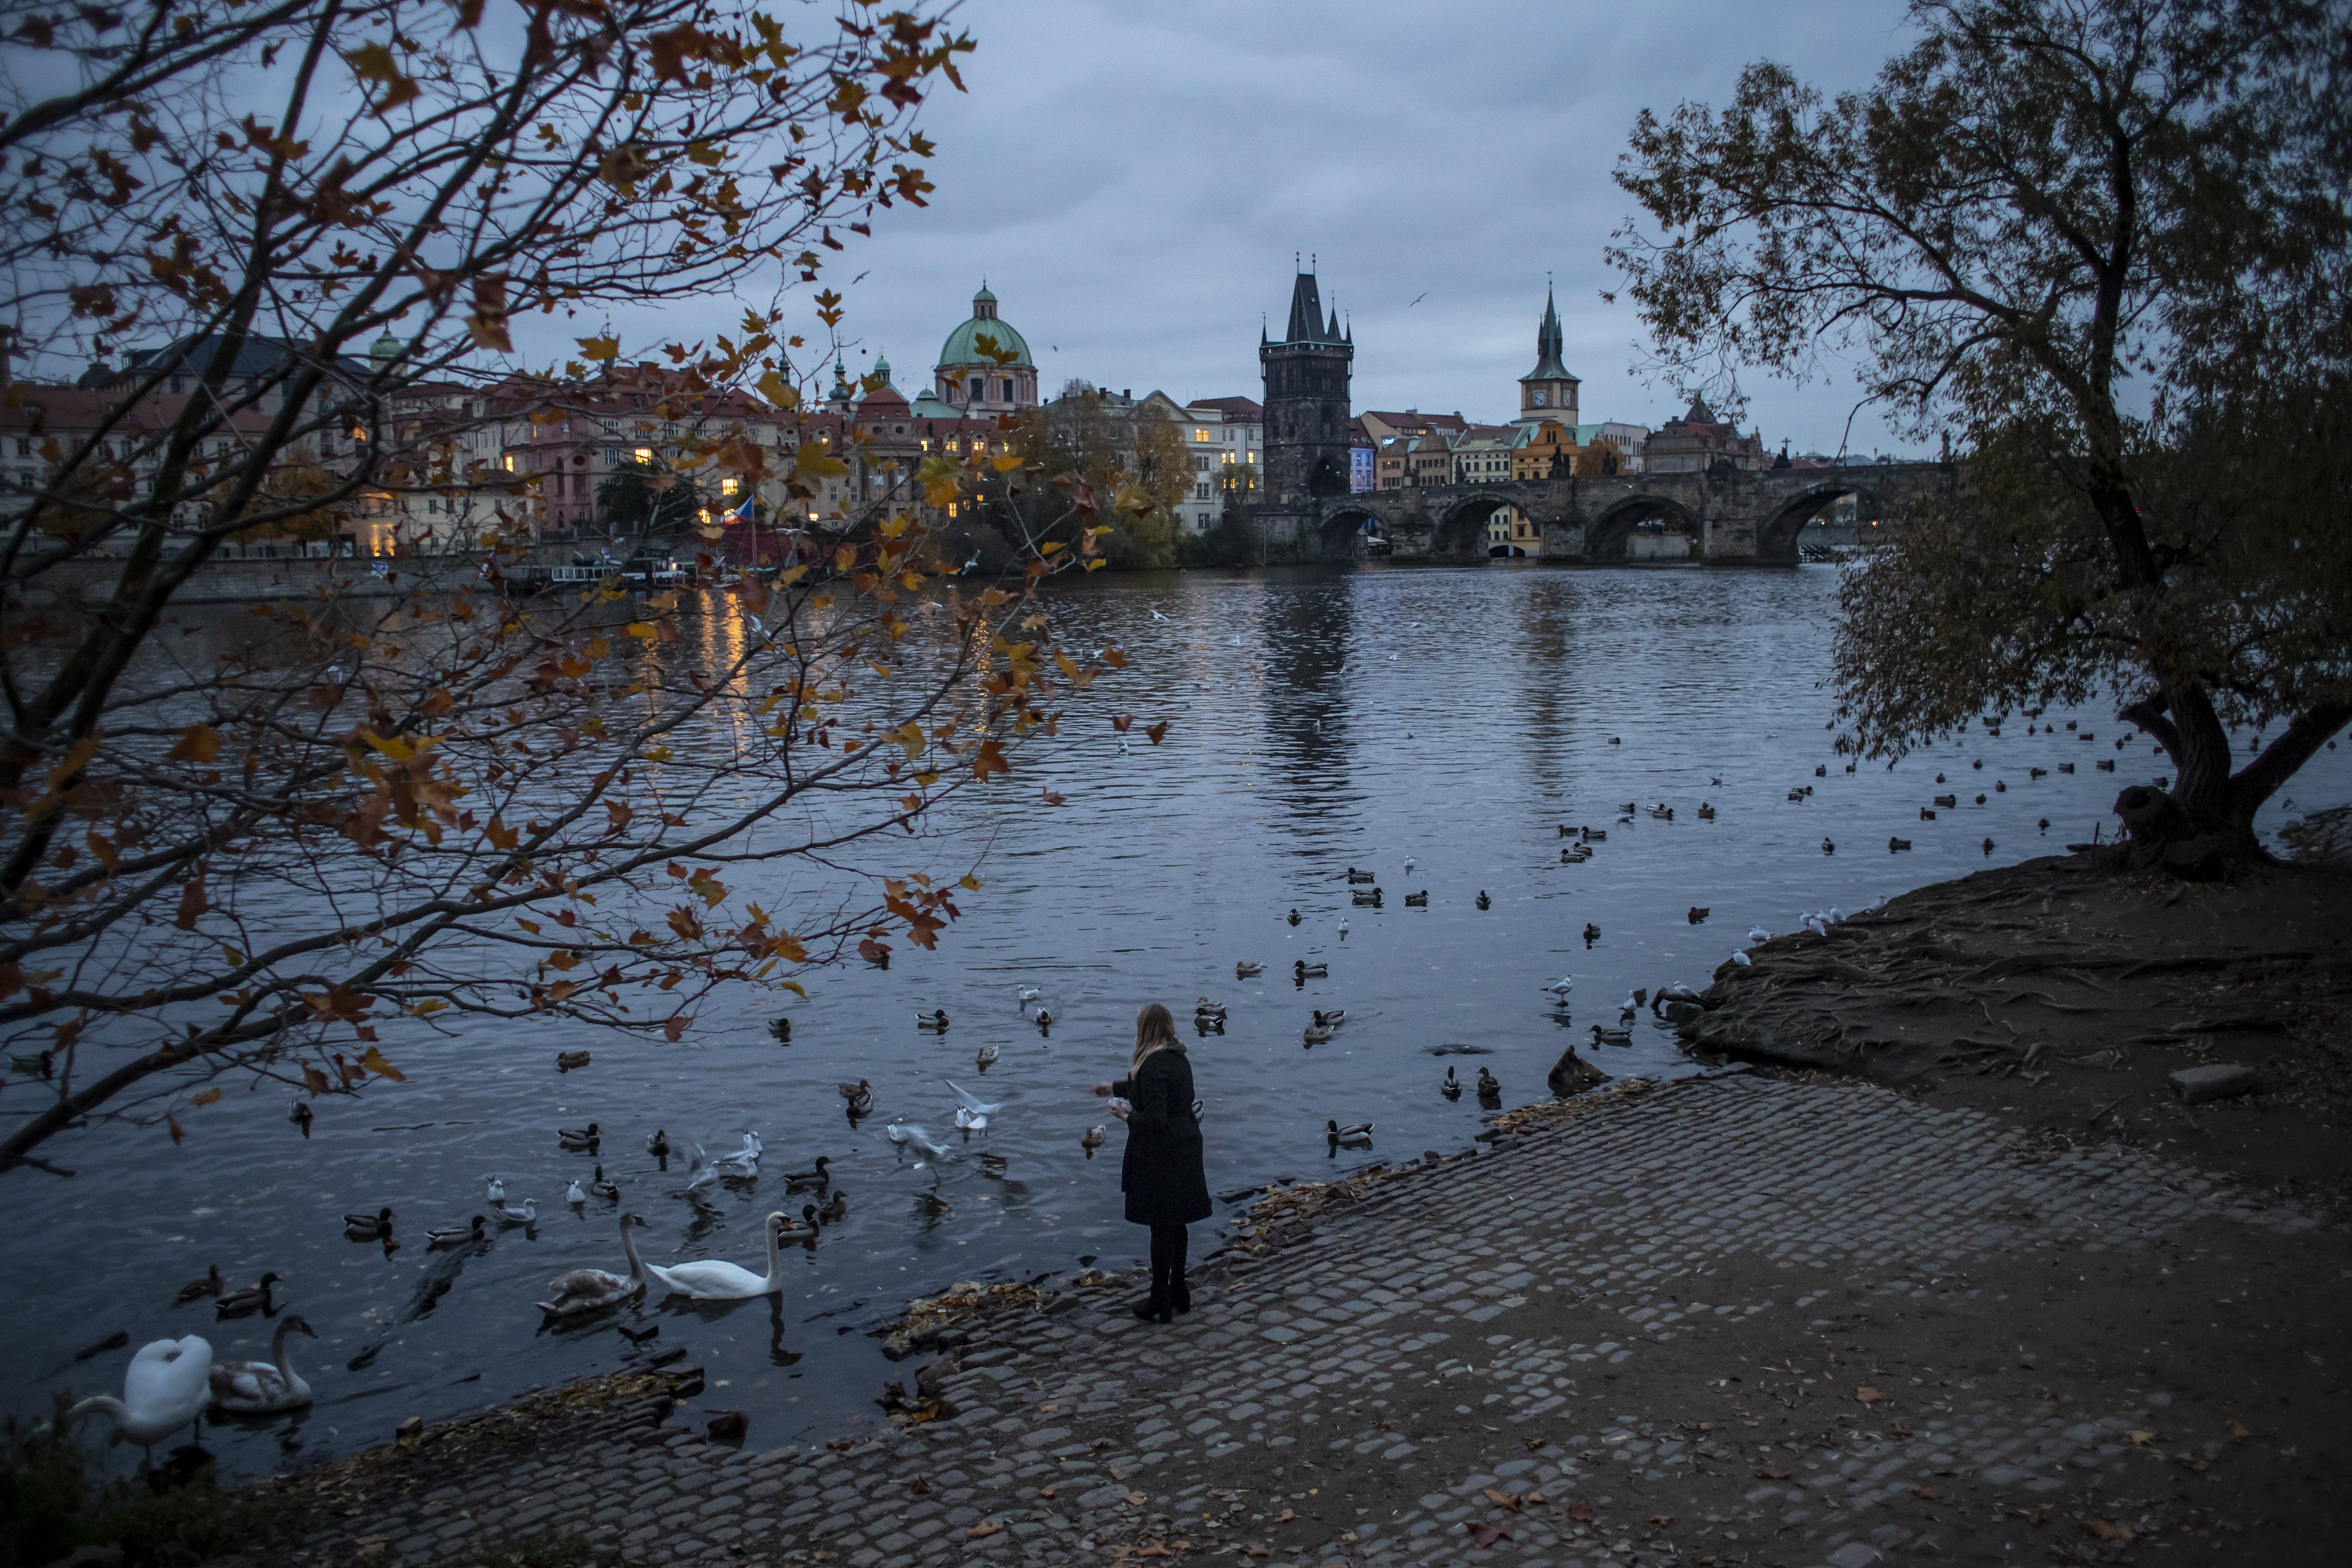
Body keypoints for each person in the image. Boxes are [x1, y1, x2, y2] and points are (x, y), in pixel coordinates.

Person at [1092, 1002, 1209, 1323]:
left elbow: (1154, 1118)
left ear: (1144, 1029)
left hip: (1162, 1154)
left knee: (1161, 1224)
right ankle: (1178, 1291)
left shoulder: (1153, 1063)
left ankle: (1159, 1297)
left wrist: (1125, 1114)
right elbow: (1157, 1092)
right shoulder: (1177, 1057)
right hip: (1186, 1145)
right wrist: (1114, 1087)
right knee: (1178, 1221)